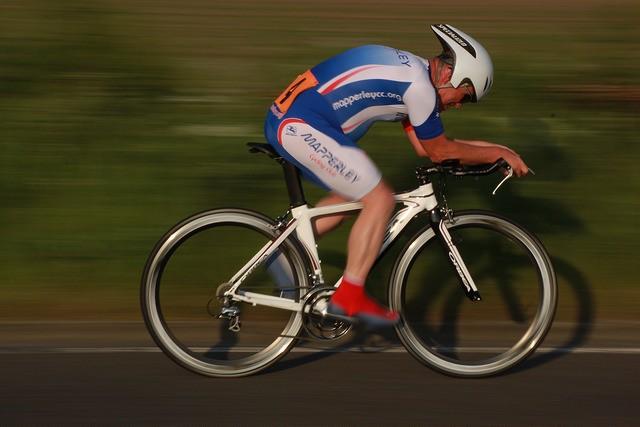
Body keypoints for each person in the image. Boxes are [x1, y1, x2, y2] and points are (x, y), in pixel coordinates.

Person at [263, 24, 529, 327]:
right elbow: (439, 151)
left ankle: (285, 253)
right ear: (449, 75)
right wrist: (497, 154)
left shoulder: (413, 74)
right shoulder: (419, 88)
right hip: (299, 125)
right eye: (465, 96)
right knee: (380, 200)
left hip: (295, 120)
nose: (459, 105)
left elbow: (424, 147)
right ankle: (348, 296)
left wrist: (498, 150)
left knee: (354, 194)